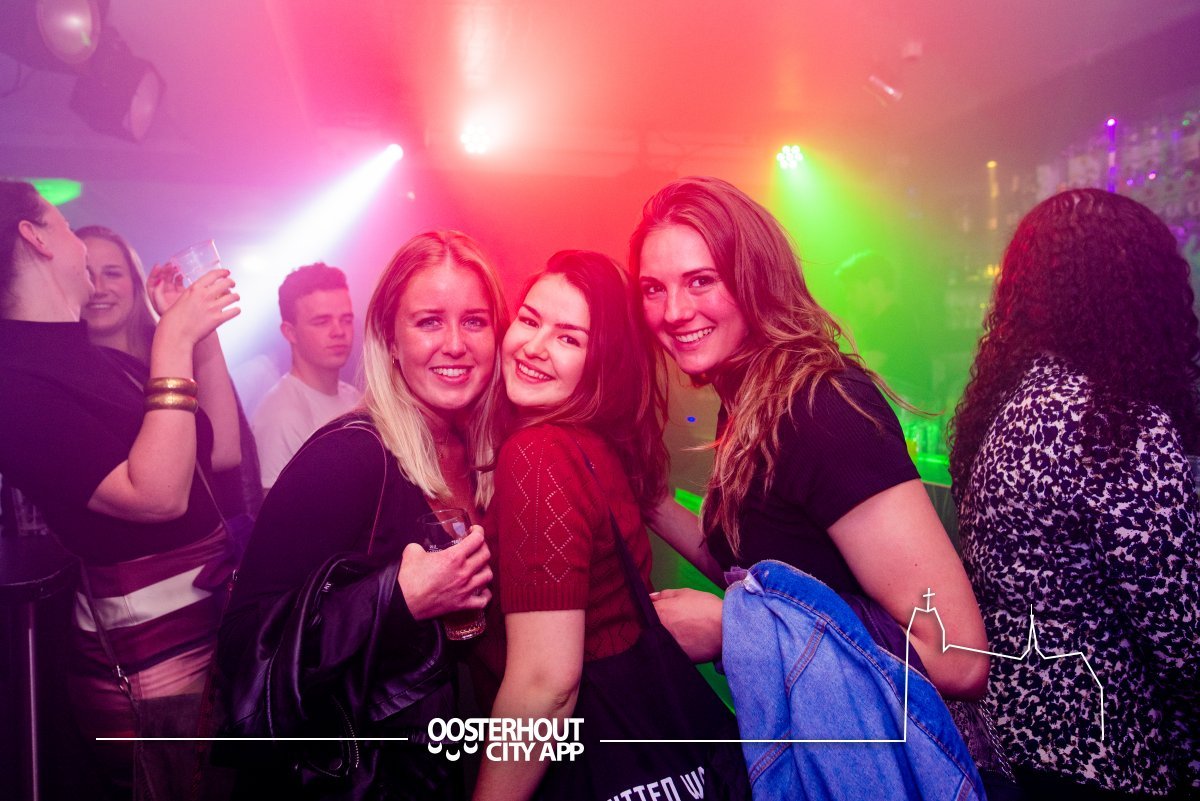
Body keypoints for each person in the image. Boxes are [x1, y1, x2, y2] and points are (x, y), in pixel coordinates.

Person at [628, 176, 989, 700]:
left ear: (755, 279)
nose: (674, 312)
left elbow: (957, 657)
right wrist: (650, 499)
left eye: (701, 280)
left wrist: (735, 628)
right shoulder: (750, 397)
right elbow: (758, 566)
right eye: (653, 289)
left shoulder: (821, 406)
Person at [218, 231, 503, 799]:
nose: (455, 344)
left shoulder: (483, 453)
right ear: (390, 340)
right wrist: (396, 598)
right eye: (429, 322)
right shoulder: (349, 457)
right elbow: (242, 648)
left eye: (474, 321)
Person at [949, 188, 1200, 798]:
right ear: (1142, 291)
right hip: (1106, 749)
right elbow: (1182, 635)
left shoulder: (1006, 405)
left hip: (1005, 738)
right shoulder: (1116, 424)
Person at [0, 180, 241, 795]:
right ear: (35, 238)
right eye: (63, 224)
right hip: (154, 674)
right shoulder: (14, 384)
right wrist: (173, 339)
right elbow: (156, 496)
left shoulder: (97, 357)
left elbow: (217, 454)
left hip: (209, 638)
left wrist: (195, 335)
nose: (79, 245)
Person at [474, 250, 685, 801]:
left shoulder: (540, 454)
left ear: (602, 364)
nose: (534, 347)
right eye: (529, 320)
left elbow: (545, 686)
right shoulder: (593, 445)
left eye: (569, 338)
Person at [76, 223, 264, 523]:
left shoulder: (173, 351)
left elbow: (225, 453)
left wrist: (198, 328)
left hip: (216, 536)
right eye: (86, 273)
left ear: (135, 283)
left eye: (112, 273)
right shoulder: (69, 377)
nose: (99, 287)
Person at [252, 262, 360, 491]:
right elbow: (277, 511)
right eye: (322, 322)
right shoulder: (280, 416)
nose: (339, 331)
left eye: (346, 319)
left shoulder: (353, 397)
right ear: (290, 332)